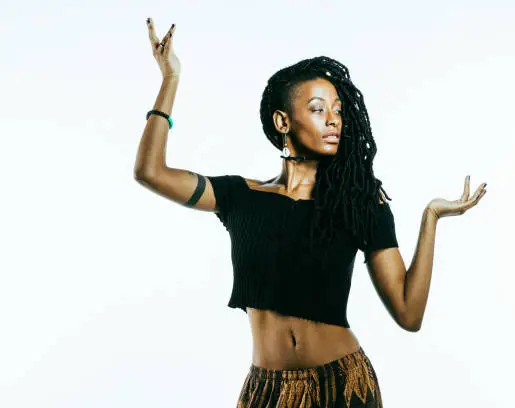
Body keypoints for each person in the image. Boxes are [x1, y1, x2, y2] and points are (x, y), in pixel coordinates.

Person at [134, 18, 487, 408]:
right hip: (265, 392)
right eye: (318, 109)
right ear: (283, 121)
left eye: (337, 110)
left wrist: (431, 218)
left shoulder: (358, 202)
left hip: (344, 386)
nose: (334, 119)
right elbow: (150, 173)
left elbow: (409, 313)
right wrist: (170, 79)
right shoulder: (239, 196)